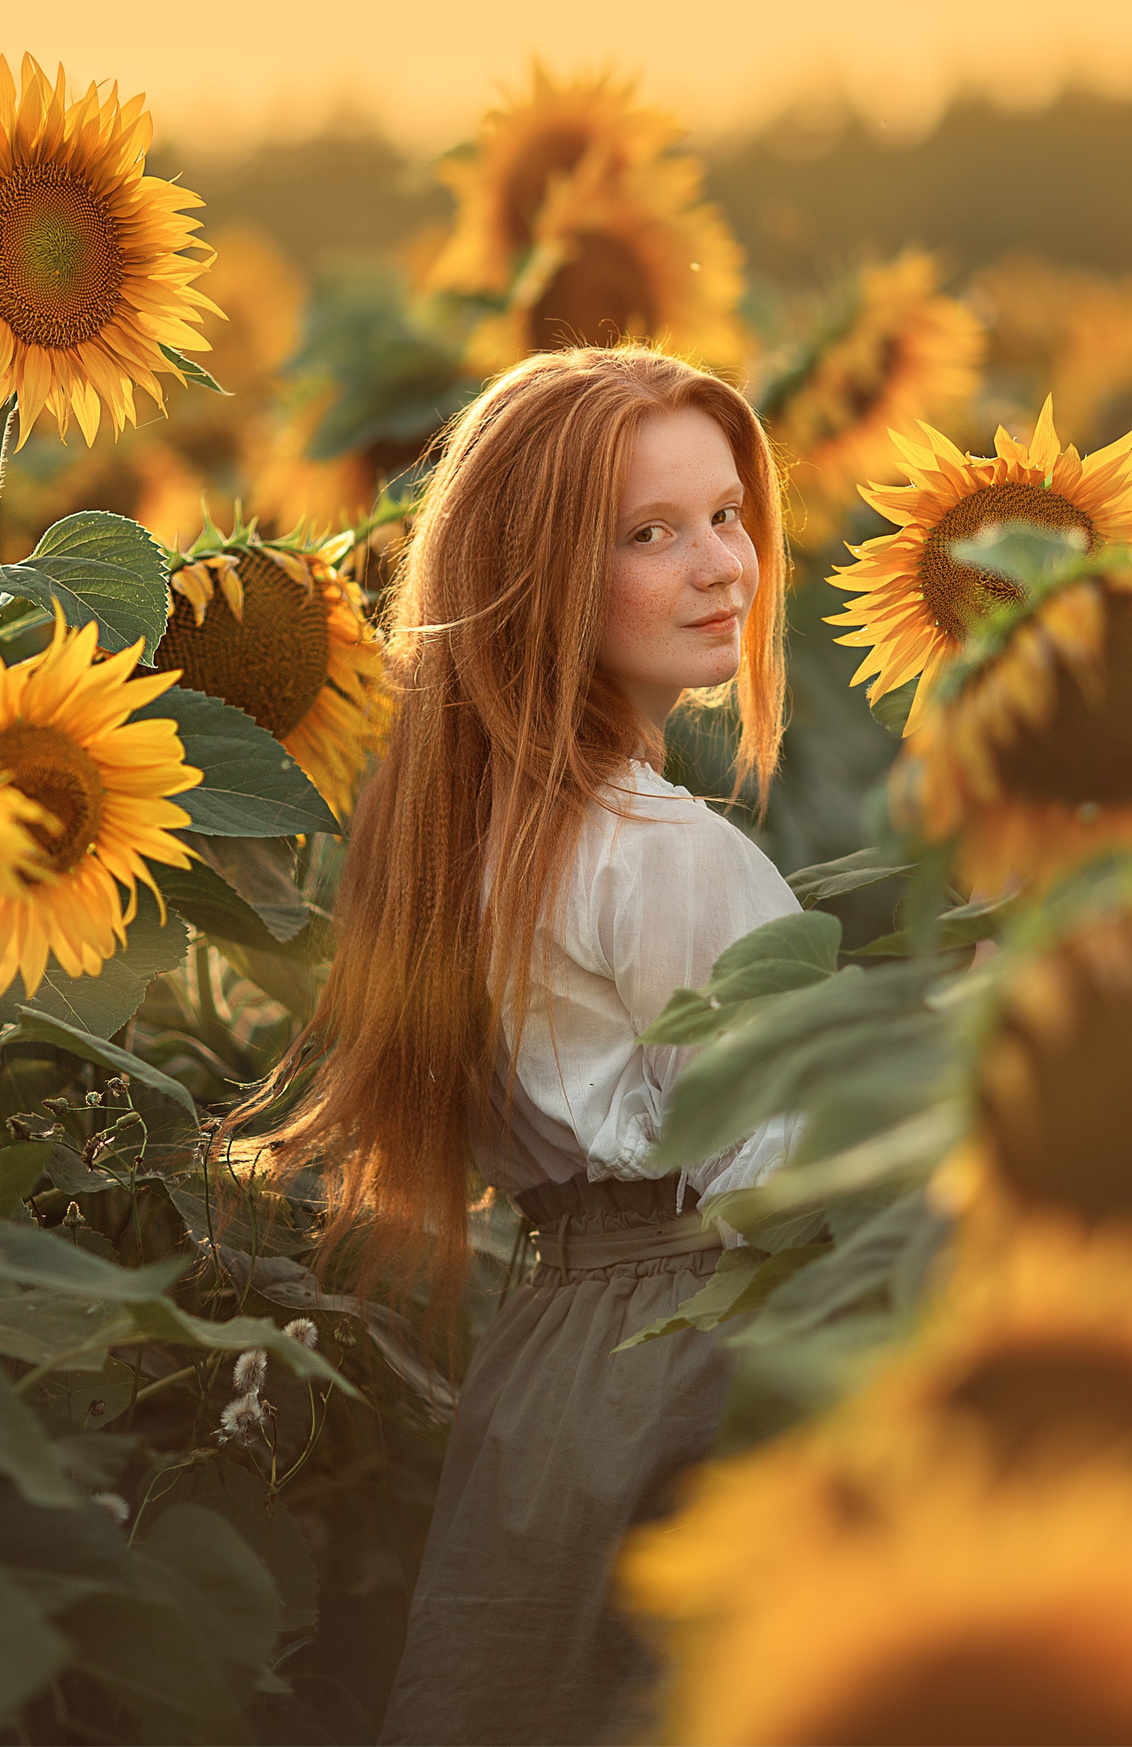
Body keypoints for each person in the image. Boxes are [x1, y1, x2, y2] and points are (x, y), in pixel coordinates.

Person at [245, 346, 801, 1744]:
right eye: (650, 534)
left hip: (556, 1354)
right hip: (700, 1348)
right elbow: (785, 1192)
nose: (722, 567)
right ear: (540, 574)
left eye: (728, 514)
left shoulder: (457, 831)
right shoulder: (670, 856)